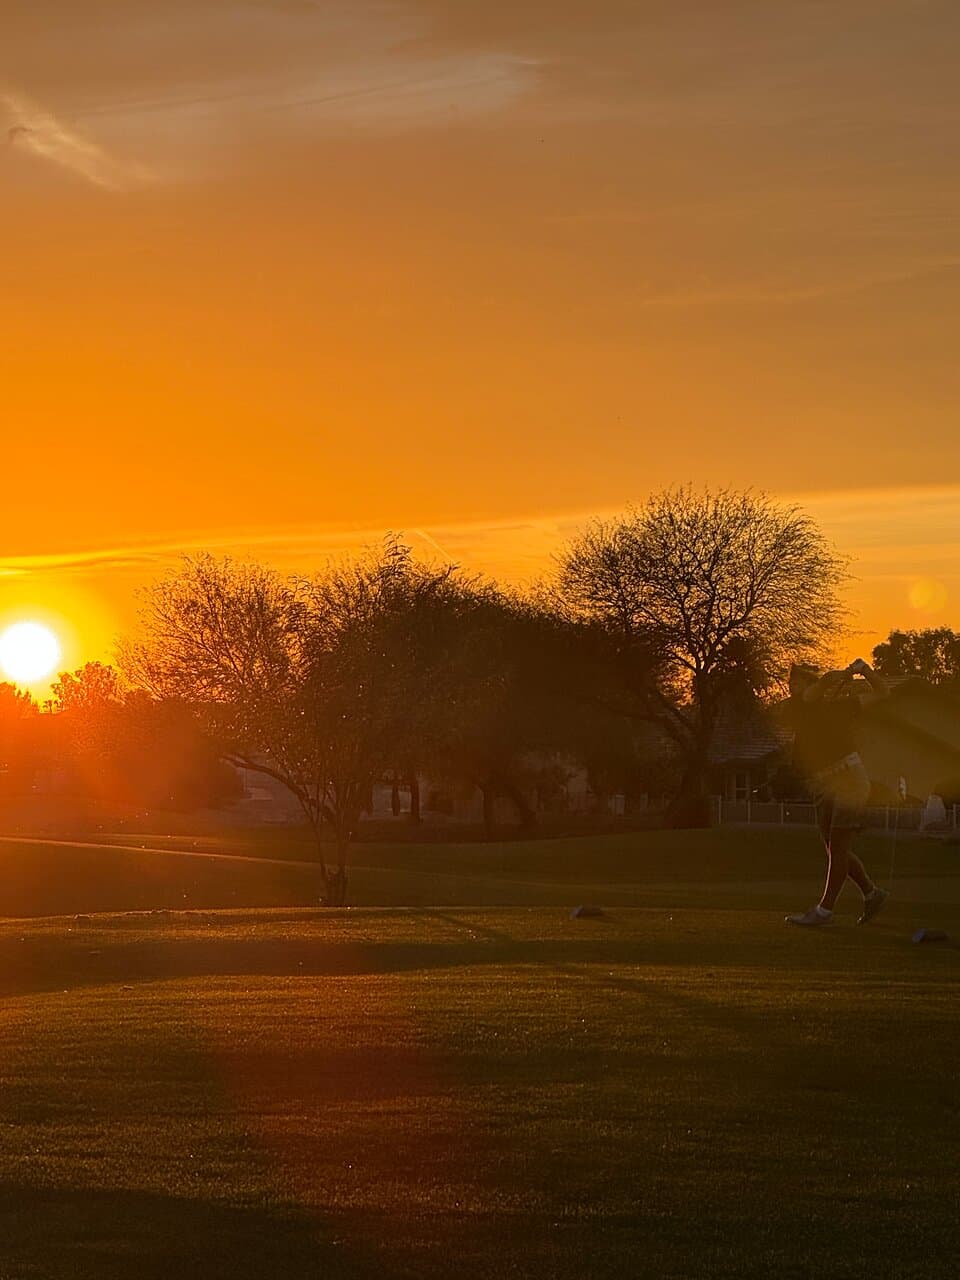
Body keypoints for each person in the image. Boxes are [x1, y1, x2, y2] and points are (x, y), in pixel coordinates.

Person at [785, 657, 890, 927]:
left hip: (849, 778)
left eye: (796, 682)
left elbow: (883, 693)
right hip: (824, 783)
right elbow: (821, 685)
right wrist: (839, 675)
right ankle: (871, 892)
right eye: (790, 683)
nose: (791, 688)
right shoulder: (799, 707)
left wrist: (864, 670)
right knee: (833, 848)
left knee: (839, 845)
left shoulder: (841, 707)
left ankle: (824, 910)